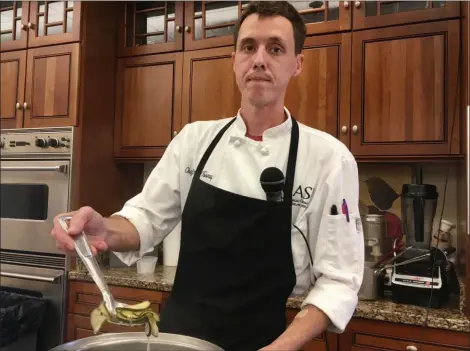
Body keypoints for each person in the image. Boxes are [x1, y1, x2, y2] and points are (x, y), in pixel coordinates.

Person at [51, 2, 364, 350]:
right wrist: (103, 228)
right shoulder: (194, 141)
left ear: (297, 65)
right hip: (178, 339)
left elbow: (339, 279)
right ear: (234, 60)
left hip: (264, 342)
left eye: (275, 48)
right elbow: (144, 219)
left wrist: (282, 347)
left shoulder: (329, 159)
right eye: (248, 47)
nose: (259, 59)